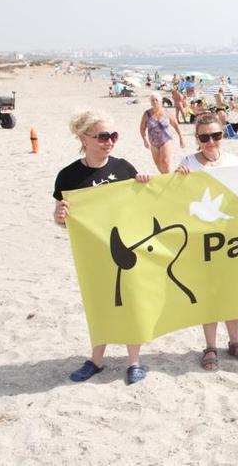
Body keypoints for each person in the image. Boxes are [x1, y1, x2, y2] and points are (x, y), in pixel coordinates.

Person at [53, 110, 150, 385]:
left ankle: (134, 362)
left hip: (127, 247)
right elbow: (63, 219)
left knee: (130, 301)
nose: (109, 142)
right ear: (84, 138)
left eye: (113, 136)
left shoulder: (123, 169)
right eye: (103, 136)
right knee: (99, 304)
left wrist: (144, 184)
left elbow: (143, 208)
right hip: (94, 253)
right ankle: (96, 360)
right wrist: (60, 217)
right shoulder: (68, 177)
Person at [176, 112, 238, 371]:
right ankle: (210, 346)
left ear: (224, 135)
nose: (211, 142)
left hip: (232, 240)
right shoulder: (187, 164)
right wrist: (178, 179)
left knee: (231, 291)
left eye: (216, 135)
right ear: (197, 139)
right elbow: (173, 199)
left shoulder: (237, 162)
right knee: (209, 293)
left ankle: (235, 342)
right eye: (205, 137)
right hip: (202, 241)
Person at [140, 92, 185, 174]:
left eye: (156, 100)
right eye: (152, 100)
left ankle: (168, 178)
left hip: (166, 139)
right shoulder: (146, 114)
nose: (155, 102)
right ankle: (165, 176)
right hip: (153, 141)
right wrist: (144, 140)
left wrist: (181, 138)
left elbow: (175, 125)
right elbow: (142, 128)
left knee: (165, 161)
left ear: (160, 101)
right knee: (157, 162)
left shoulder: (166, 112)